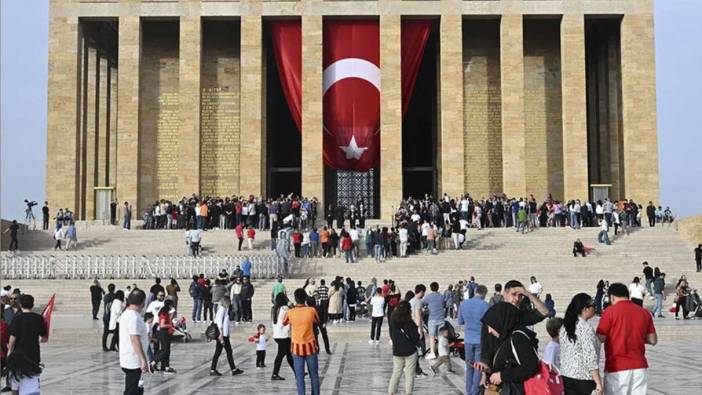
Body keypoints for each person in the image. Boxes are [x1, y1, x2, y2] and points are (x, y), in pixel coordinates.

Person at [596, 283, 657, 395]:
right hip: (639, 367)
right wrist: (636, 336)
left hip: (617, 367)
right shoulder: (644, 312)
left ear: (612, 297)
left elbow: (600, 337)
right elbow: (653, 340)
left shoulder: (609, 312)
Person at [481, 303, 540, 394]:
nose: (489, 331)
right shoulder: (507, 336)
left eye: (490, 326)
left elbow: (530, 366)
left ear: (499, 321)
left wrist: (502, 376)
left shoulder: (518, 337)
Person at [560, 293, 603, 395]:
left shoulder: (565, 327)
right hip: (583, 379)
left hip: (567, 376)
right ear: (585, 309)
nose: (594, 308)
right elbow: (590, 357)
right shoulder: (585, 328)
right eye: (593, 306)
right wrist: (598, 382)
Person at [283, 288, 320, 395]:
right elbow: (317, 320)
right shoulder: (311, 310)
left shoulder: (290, 312)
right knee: (314, 375)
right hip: (310, 346)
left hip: (296, 347)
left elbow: (284, 322)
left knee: (299, 376)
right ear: (305, 298)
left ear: (295, 298)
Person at [7, 294, 48, 389]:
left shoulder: (17, 318)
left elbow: (13, 337)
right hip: (33, 354)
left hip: (19, 354)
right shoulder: (39, 318)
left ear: (20, 305)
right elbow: (44, 337)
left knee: (16, 383)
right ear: (32, 305)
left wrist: (9, 352)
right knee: (32, 381)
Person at [457, 284, 488, 395]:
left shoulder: (464, 304)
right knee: (478, 367)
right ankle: (474, 391)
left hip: (468, 339)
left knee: (469, 366)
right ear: (484, 293)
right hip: (480, 339)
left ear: (475, 291)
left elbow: (460, 321)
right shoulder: (486, 305)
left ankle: (468, 390)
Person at [118, 289, 149, 395]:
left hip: (129, 358)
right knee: (131, 390)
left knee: (136, 389)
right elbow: (134, 340)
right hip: (133, 360)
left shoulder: (127, 314)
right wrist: (143, 359)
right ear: (142, 302)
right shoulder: (133, 317)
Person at [387, 301, 420, 395]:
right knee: (409, 374)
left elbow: (391, 334)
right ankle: (408, 393)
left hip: (397, 350)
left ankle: (391, 392)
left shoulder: (393, 321)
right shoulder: (409, 322)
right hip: (410, 351)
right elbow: (415, 337)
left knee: (396, 372)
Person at [210, 297, 244, 377]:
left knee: (222, 352)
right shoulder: (221, 309)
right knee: (225, 352)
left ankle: (231, 369)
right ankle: (232, 369)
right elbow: (219, 322)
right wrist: (221, 334)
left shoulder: (225, 309)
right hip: (222, 335)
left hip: (224, 334)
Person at [271, 293, 295, 380]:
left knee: (288, 354)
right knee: (281, 355)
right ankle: (274, 374)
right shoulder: (285, 308)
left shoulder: (274, 308)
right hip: (283, 335)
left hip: (277, 335)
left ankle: (298, 372)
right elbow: (293, 312)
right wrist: (290, 304)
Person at [150, 300, 176, 374]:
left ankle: (165, 366)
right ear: (169, 305)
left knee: (167, 350)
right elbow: (162, 325)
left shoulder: (166, 313)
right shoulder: (164, 314)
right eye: (171, 305)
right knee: (164, 350)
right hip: (163, 333)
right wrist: (171, 325)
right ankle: (153, 362)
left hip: (166, 333)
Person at [423, 282, 445, 359]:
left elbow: (423, 304)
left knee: (431, 336)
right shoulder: (442, 296)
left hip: (432, 319)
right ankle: (442, 352)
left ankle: (432, 353)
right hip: (441, 318)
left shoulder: (428, 297)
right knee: (441, 336)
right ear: (438, 287)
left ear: (430, 288)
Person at [102, 284, 117, 351]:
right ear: (114, 289)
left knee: (106, 332)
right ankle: (112, 345)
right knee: (115, 332)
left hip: (106, 316)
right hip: (112, 316)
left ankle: (104, 346)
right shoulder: (115, 296)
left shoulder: (105, 296)